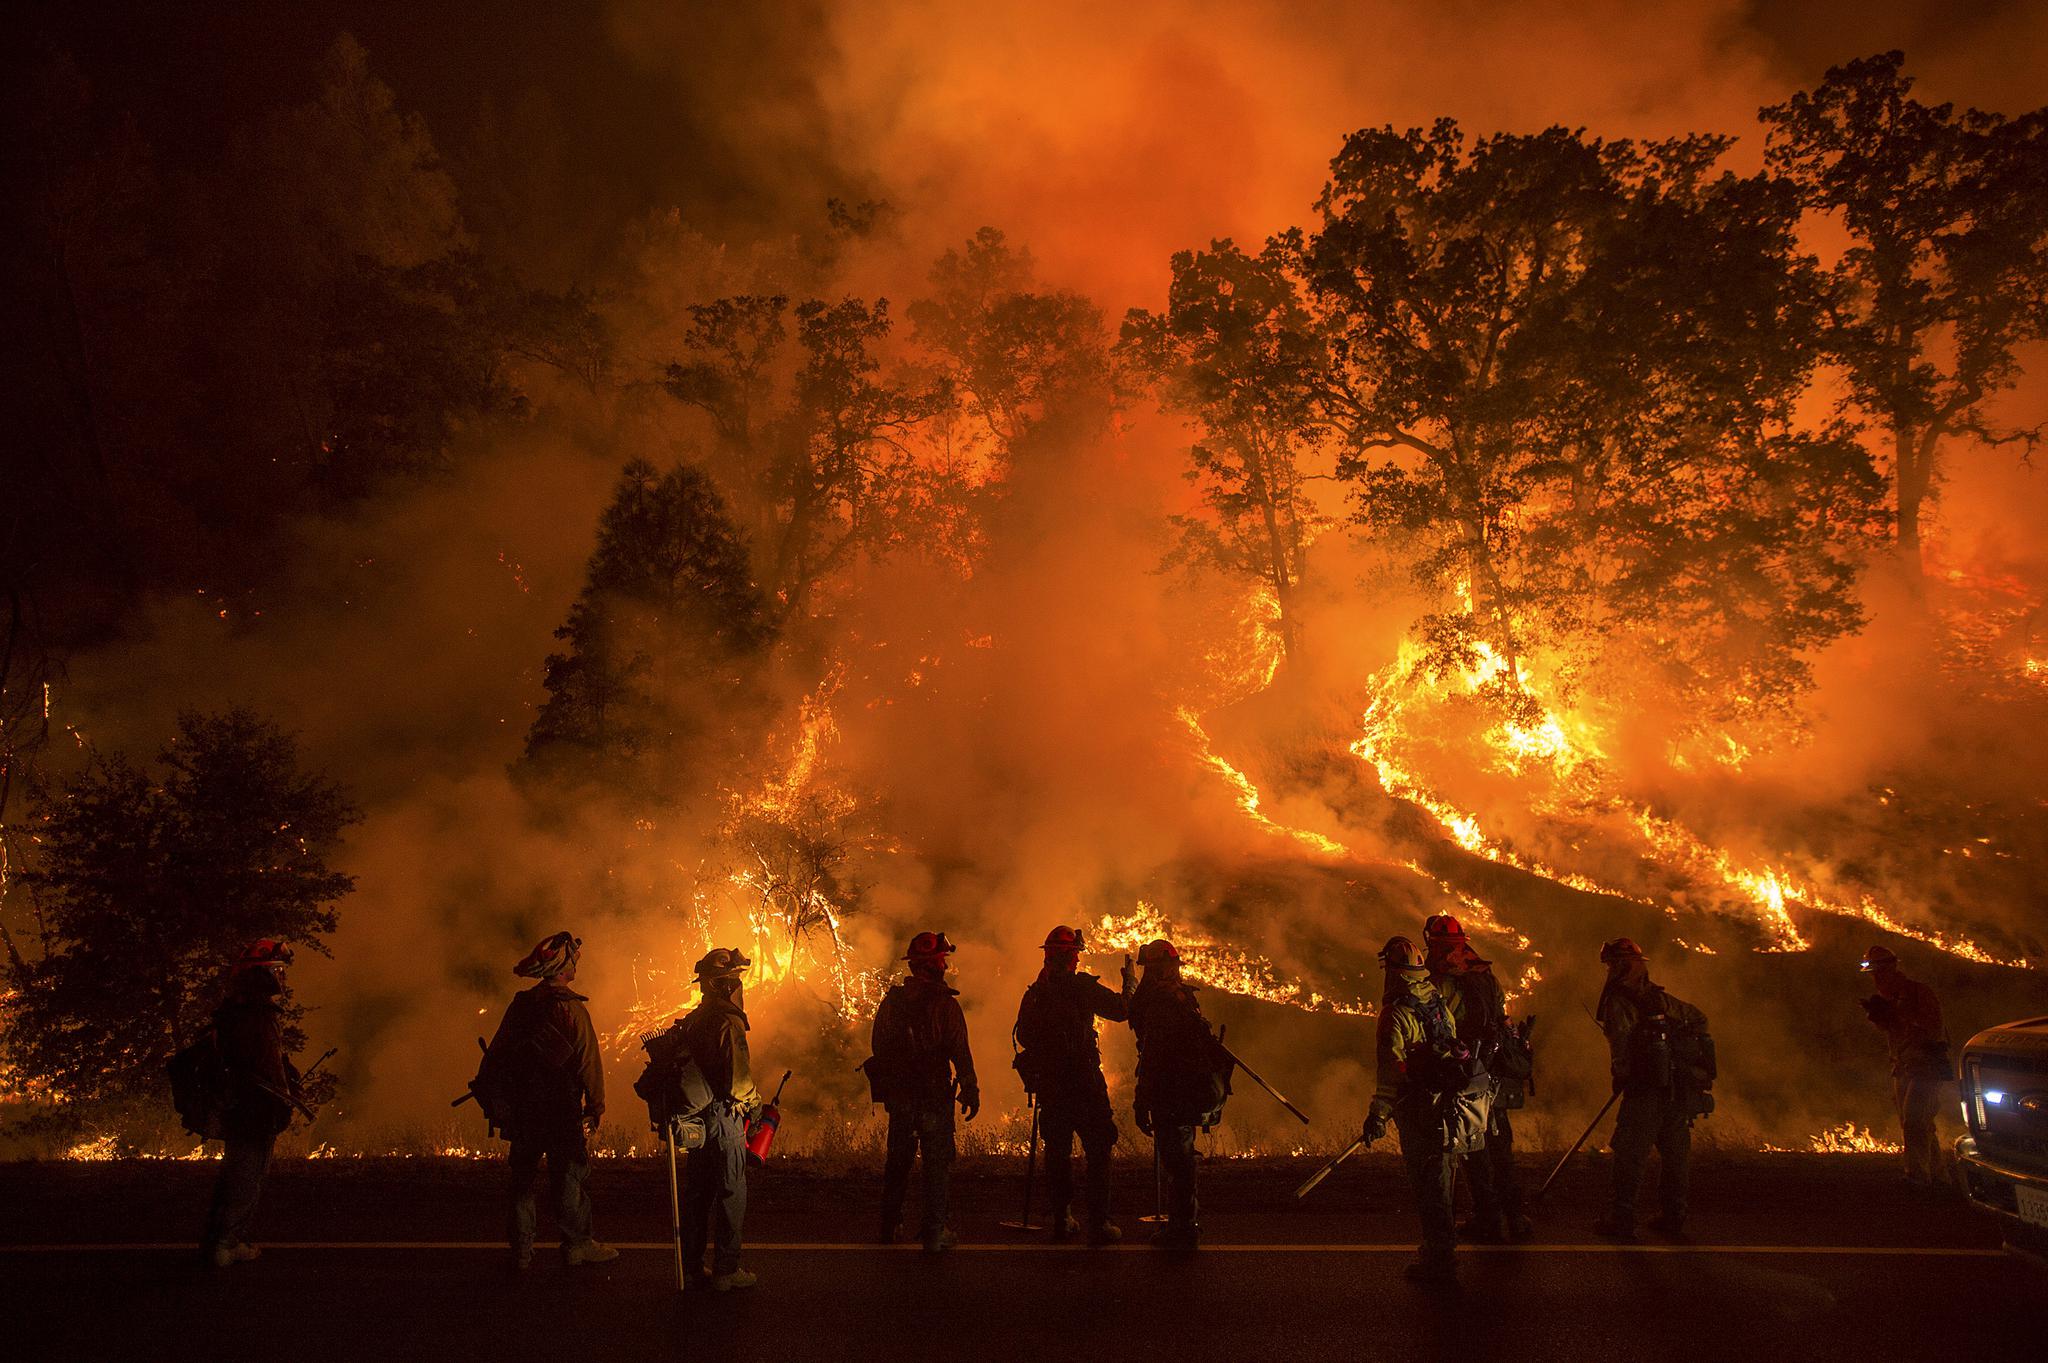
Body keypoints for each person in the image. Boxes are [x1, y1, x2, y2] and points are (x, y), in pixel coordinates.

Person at [487, 931, 616, 1270]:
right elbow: (589, 1061)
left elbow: (497, 1054)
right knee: (568, 1178)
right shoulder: (571, 1010)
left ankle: (521, 1253)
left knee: (522, 1181)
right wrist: (596, 1106)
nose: (576, 963)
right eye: (572, 959)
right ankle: (577, 1246)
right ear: (563, 967)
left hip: (524, 1111)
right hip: (561, 1111)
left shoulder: (521, 1006)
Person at [1362, 935, 1474, 1288]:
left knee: (1429, 1185)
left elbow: (1390, 1071)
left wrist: (1379, 1114)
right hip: (1450, 1106)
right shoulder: (1436, 1001)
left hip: (1420, 1112)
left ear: (1392, 972)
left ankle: (1440, 1259)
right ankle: (1440, 1247)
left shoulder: (1395, 1014)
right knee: (1445, 1177)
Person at [1012, 925, 1132, 1245]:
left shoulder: (1036, 993)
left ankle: (1062, 1219)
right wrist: (1131, 984)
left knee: (1057, 1152)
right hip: (1084, 1083)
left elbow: (1023, 1035)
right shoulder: (1082, 987)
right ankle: (1099, 1222)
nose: (1078, 958)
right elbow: (1121, 1011)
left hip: (1052, 1085)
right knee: (1099, 1148)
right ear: (1070, 956)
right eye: (1076, 953)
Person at [1593, 938, 1714, 1242]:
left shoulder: (1619, 1000)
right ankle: (1674, 1217)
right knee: (1675, 1154)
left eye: (1610, 964)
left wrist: (1621, 1074)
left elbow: (1620, 1042)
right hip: (1677, 1089)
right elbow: (1699, 1018)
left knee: (1630, 1153)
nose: (1608, 970)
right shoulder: (1658, 999)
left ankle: (1622, 1220)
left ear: (1618, 966)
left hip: (1645, 1089)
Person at [1423, 914, 1532, 1242]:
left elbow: (1440, 1025)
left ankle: (1489, 1220)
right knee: (1501, 1146)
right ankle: (1516, 1218)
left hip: (1468, 1074)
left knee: (1475, 1148)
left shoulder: (1442, 978)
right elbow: (1501, 1017)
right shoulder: (1484, 973)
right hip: (1496, 1071)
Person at [869, 931, 980, 1252]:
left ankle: (890, 1225)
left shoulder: (892, 1002)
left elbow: (878, 1046)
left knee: (898, 1160)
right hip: (933, 1094)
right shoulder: (945, 1005)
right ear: (934, 965)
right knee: (937, 1161)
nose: (945, 965)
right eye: (942, 960)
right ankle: (934, 1232)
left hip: (901, 1095)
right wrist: (970, 1089)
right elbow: (960, 1051)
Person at [200, 940, 305, 1268]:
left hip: (241, 1105)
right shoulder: (257, 1015)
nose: (282, 978)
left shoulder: (237, 1010)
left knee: (236, 1173)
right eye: (276, 971)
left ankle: (218, 1238)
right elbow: (265, 1066)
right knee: (248, 1174)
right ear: (260, 975)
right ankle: (226, 1244)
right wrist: (283, 1101)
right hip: (253, 1108)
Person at [1128, 938, 1227, 1249]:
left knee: (1178, 1161)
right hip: (1184, 1092)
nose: (1148, 975)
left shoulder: (1161, 1005)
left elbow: (1153, 1058)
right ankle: (1185, 1223)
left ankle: (1182, 1231)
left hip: (1171, 1093)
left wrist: (1141, 1100)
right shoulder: (1183, 998)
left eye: (1150, 969)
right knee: (1181, 1159)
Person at [678, 947, 763, 1289]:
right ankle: (727, 1271)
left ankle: (692, 1267)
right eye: (737, 981)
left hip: (696, 1120)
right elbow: (737, 1079)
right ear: (726, 985)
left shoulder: (695, 1018)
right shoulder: (728, 1021)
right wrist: (755, 1106)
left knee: (698, 1193)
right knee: (731, 1191)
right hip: (724, 1118)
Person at [1858, 944, 1951, 1188]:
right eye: (1873, 974)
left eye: (1879, 972)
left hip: (1926, 1067)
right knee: (1918, 1124)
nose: (1876, 978)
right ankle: (1939, 1176)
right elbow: (1895, 1034)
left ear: (1892, 968)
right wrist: (1883, 1019)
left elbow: (1934, 1031)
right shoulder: (1888, 999)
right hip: (1903, 1068)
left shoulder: (1919, 993)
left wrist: (1898, 1017)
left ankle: (1917, 1176)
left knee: (1914, 1121)